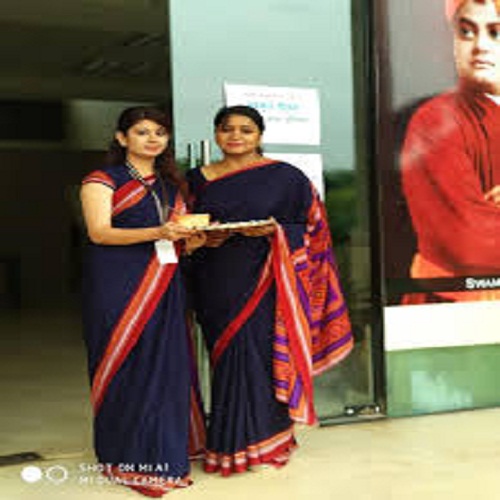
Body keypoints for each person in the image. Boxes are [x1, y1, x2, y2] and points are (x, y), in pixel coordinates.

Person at [186, 105, 353, 476]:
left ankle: (267, 443)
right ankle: (229, 444)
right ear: (216, 134)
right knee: (225, 358)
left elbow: (313, 227)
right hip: (215, 280)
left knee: (261, 358)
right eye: (227, 128)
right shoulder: (196, 179)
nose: (235, 136)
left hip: (268, 280)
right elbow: (183, 225)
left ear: (259, 135)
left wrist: (274, 231)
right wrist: (203, 238)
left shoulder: (286, 177)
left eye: (245, 129)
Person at [80, 106, 205, 497]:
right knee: (126, 363)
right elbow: (100, 232)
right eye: (142, 132)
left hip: (165, 283)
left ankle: (165, 453)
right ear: (122, 138)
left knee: (166, 366)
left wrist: (196, 239)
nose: (152, 139)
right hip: (117, 284)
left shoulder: (171, 186)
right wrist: (159, 232)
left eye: (160, 133)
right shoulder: (102, 180)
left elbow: (177, 237)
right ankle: (125, 455)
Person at [401, 0, 500, 303]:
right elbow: (469, 240)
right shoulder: (435, 122)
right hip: (454, 310)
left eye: (495, 32)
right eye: (466, 32)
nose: (480, 46)